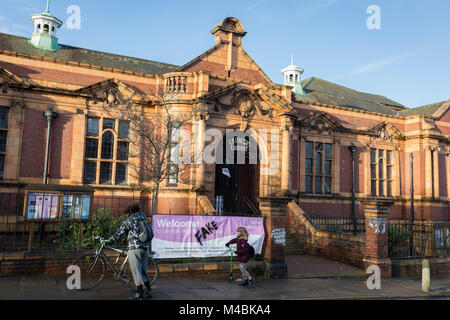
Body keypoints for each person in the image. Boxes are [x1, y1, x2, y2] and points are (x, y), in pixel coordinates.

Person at [106, 203, 152, 300]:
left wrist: (108, 241)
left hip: (135, 248)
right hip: (145, 247)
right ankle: (149, 290)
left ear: (130, 211)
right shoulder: (143, 217)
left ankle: (139, 293)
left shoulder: (130, 220)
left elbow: (118, 234)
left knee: (136, 272)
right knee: (143, 270)